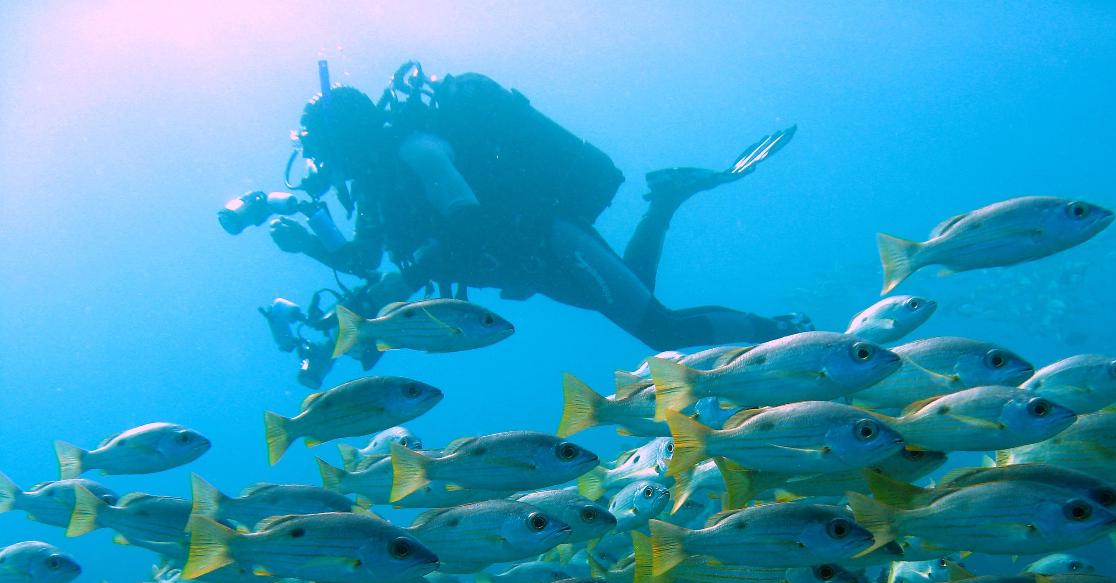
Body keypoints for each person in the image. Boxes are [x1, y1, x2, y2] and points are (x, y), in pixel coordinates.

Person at [229, 61, 807, 385]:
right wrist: (311, 245)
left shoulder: (417, 148)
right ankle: (666, 200)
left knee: (657, 328)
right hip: (527, 261)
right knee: (641, 300)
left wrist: (405, 283)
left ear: (346, 140)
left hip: (546, 236)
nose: (322, 167)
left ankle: (788, 335)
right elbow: (363, 258)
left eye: (323, 151)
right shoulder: (378, 188)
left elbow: (470, 219)